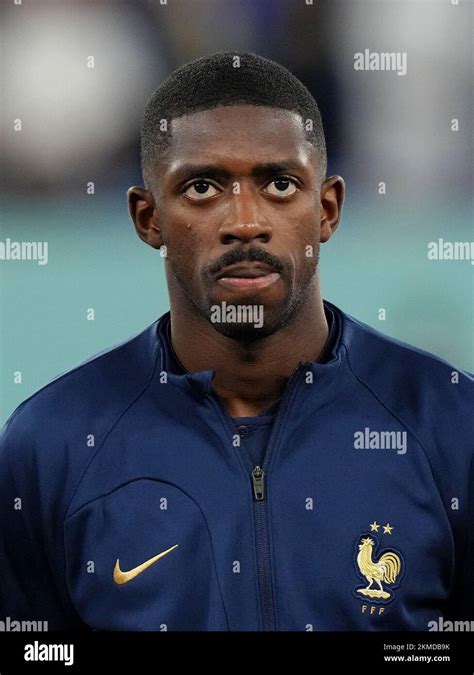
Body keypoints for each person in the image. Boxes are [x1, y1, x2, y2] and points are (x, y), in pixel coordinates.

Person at [0, 51, 472, 632]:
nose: (244, 221)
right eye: (202, 187)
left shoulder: (451, 426)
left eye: (279, 183)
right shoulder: (52, 444)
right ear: (148, 218)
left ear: (327, 210)